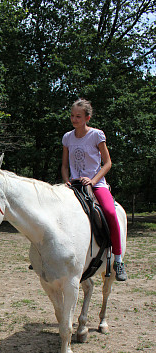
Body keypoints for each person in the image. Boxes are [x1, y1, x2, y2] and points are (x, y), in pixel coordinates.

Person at [61, 98, 127, 281]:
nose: (74, 120)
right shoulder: (67, 137)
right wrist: (66, 181)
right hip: (74, 185)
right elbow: (64, 166)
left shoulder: (97, 135)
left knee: (110, 213)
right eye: (72, 116)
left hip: (96, 183)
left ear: (87, 118)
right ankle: (46, 256)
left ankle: (119, 260)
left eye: (78, 116)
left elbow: (108, 163)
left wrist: (92, 180)